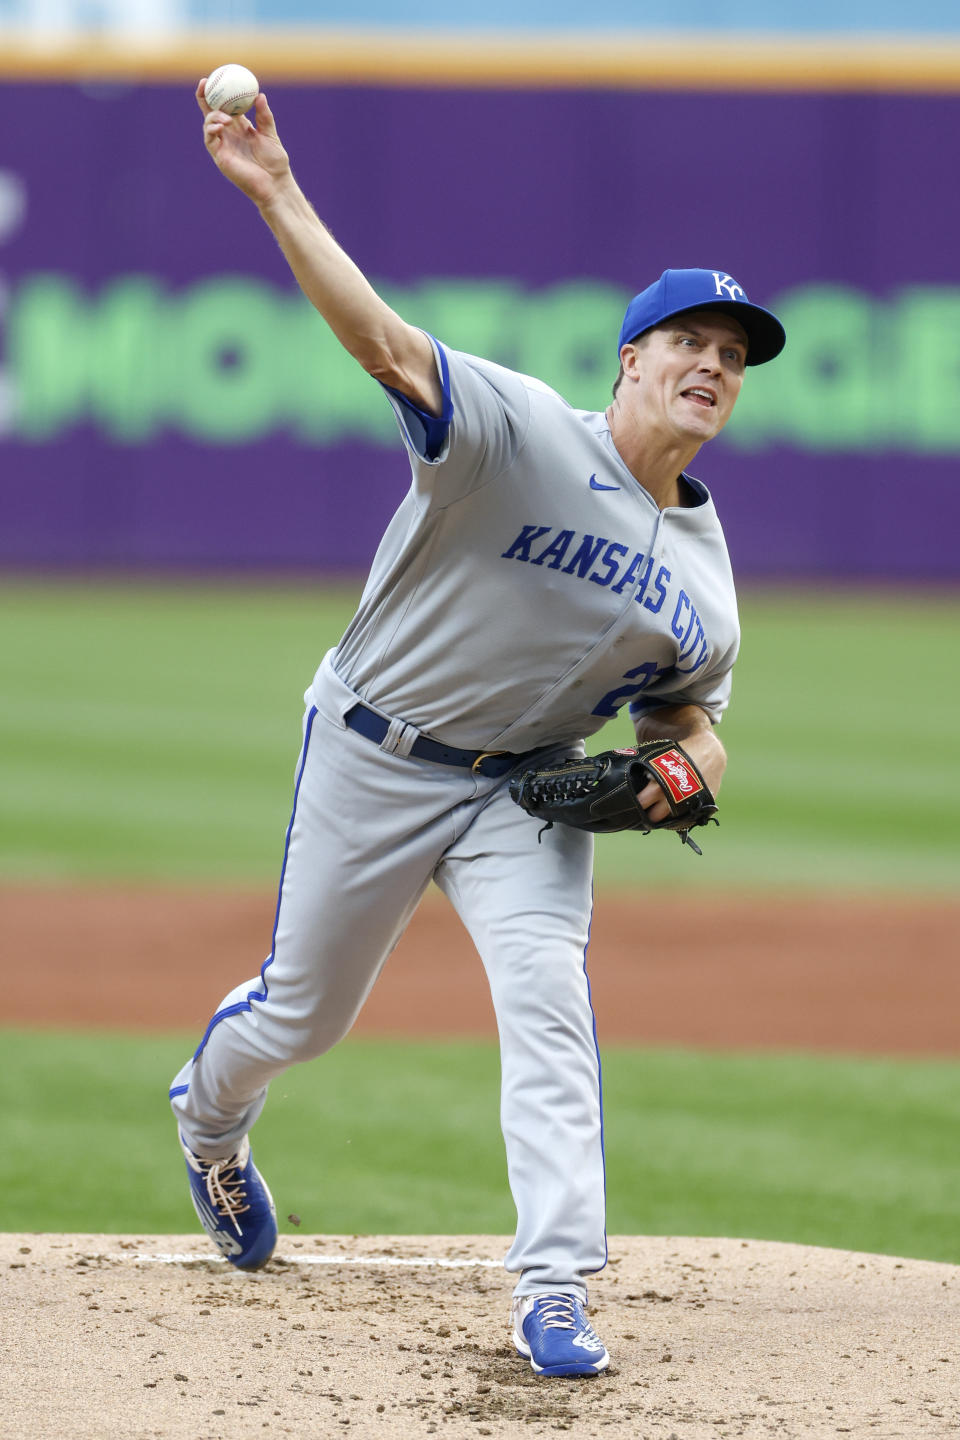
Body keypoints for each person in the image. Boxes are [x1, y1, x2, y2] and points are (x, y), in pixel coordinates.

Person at [170, 79, 786, 1379]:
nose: (713, 368)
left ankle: (554, 1286)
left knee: (550, 1001)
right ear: (631, 356)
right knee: (304, 1016)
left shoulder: (708, 575)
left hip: (526, 794)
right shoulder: (514, 434)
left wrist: (683, 763)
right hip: (374, 751)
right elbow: (387, 346)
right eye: (692, 342)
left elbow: (696, 711)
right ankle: (211, 1127)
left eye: (733, 358)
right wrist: (276, 188)